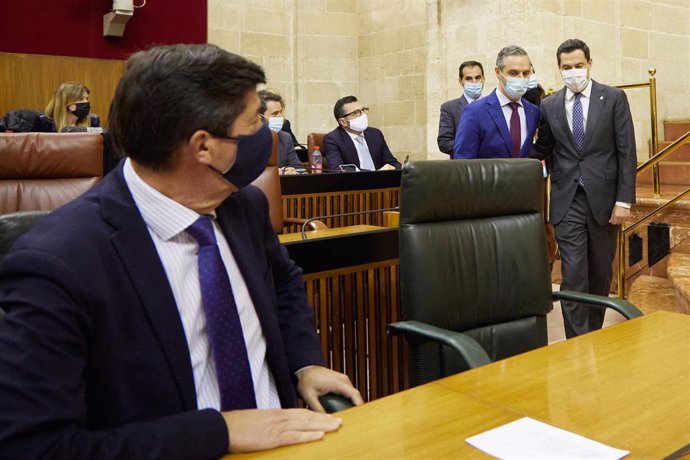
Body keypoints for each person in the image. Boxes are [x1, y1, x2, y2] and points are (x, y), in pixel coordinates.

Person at [0, 44, 362, 459]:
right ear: (204, 146)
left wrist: (305, 362)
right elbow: (34, 447)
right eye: (254, 121)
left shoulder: (243, 205)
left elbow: (282, 282)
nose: (267, 131)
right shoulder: (59, 263)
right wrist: (217, 432)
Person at [530, 39, 636, 338]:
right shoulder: (549, 104)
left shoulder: (614, 98)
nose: (573, 72)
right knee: (573, 273)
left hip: (604, 200)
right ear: (559, 68)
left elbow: (626, 150)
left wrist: (624, 199)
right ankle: (577, 342)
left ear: (590, 63)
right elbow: (545, 146)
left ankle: (594, 334)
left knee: (600, 272)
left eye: (578, 66)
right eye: (566, 67)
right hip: (567, 200)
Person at [453, 46, 540, 159]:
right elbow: (463, 162)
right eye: (513, 73)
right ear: (498, 72)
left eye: (526, 73)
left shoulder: (533, 111)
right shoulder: (475, 112)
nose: (521, 78)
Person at [323, 96, 401, 171]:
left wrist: (398, 168)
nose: (363, 115)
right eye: (357, 113)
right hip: (355, 183)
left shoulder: (375, 134)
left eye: (363, 110)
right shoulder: (333, 139)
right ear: (343, 122)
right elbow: (337, 168)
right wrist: (372, 175)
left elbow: (391, 162)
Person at [437, 60, 484, 156]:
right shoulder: (449, 108)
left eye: (478, 78)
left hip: (490, 167)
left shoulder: (493, 105)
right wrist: (476, 145)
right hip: (463, 167)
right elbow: (444, 143)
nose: (474, 82)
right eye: (469, 79)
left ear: (483, 79)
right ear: (461, 81)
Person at [258, 89, 305, 174]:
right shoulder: (246, 139)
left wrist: (294, 172)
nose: (280, 117)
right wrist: (273, 173)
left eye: (280, 112)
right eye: (275, 114)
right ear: (259, 117)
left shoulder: (285, 138)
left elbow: (300, 169)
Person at [36, 81, 101, 132]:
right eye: (81, 99)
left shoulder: (93, 121)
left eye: (87, 99)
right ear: (67, 102)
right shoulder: (45, 122)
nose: (86, 102)